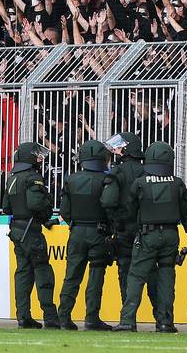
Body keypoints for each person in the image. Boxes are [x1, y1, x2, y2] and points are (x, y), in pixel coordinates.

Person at [113, 142, 187, 333]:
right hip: (170, 234)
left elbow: (130, 209)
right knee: (166, 277)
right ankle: (165, 322)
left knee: (135, 276)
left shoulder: (140, 182)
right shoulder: (177, 183)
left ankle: (128, 320)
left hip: (147, 234)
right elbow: (186, 210)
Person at [56, 139, 119, 331]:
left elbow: (64, 211)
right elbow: (111, 208)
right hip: (98, 232)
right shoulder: (107, 180)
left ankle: (63, 317)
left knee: (72, 276)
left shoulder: (71, 179)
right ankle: (91, 318)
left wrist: (76, 224)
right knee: (96, 276)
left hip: (76, 232)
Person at [3, 142, 59, 329]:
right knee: (43, 271)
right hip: (31, 231)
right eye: (36, 155)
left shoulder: (12, 178)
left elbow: (6, 207)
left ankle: (23, 315)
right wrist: (46, 211)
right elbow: (36, 204)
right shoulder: (33, 177)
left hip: (17, 230)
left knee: (23, 273)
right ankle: (50, 316)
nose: (39, 158)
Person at [107, 132, 161, 319]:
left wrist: (115, 220)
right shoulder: (149, 171)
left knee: (125, 273)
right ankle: (162, 319)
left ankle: (127, 318)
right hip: (146, 229)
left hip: (123, 230)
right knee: (152, 273)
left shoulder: (117, 172)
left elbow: (108, 201)